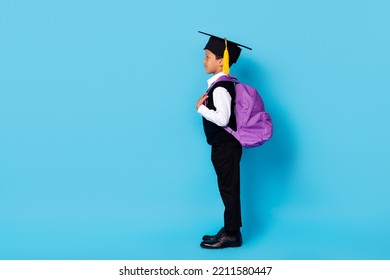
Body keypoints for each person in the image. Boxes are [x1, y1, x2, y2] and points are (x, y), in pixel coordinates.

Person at [196, 31, 251, 249]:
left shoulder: (221, 87)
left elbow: (223, 119)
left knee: (228, 188)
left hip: (225, 147)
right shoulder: (221, 85)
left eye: (208, 56)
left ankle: (231, 234)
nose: (204, 60)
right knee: (227, 187)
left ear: (221, 61)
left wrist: (200, 108)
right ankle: (230, 229)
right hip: (224, 147)